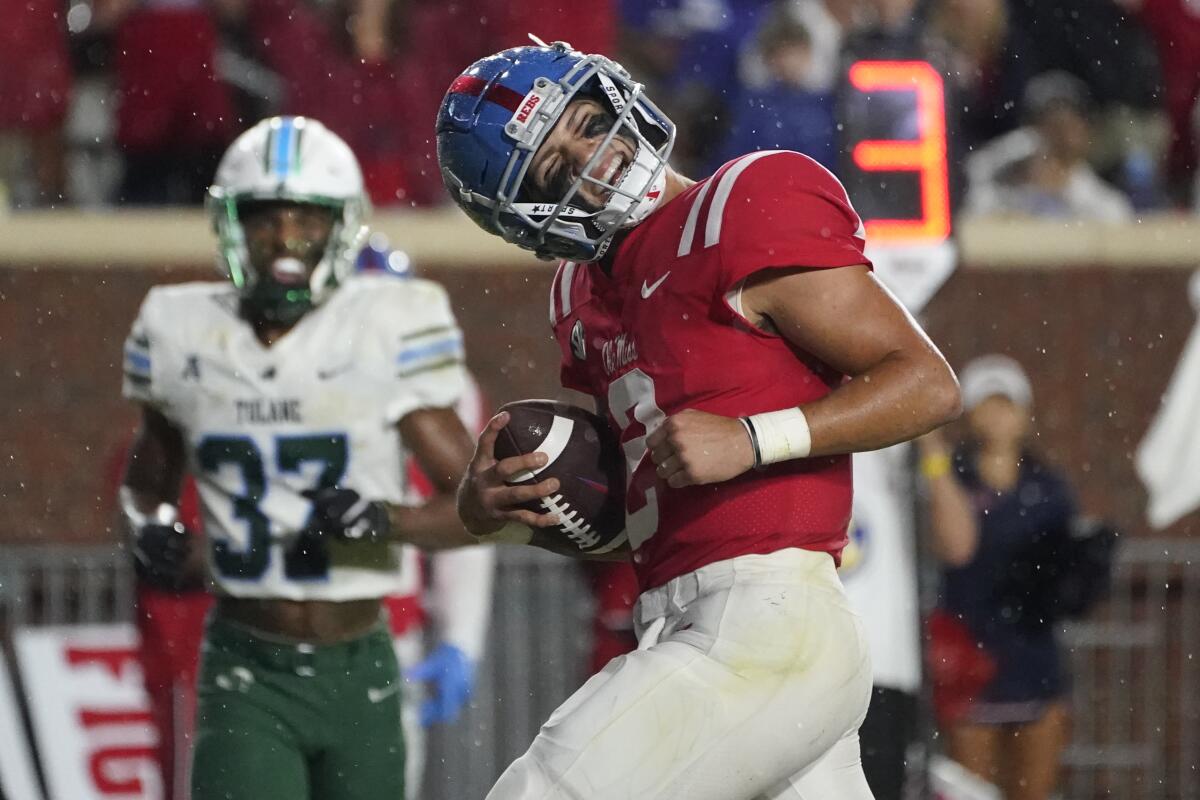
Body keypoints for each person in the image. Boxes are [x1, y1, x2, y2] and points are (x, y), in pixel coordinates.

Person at [436, 40, 962, 799]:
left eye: (586, 123)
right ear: (527, 218)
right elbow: (646, 508)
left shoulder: (742, 201)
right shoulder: (578, 297)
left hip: (770, 622)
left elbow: (925, 384)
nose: (590, 156)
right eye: (553, 169)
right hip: (692, 622)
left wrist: (753, 438)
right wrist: (503, 511)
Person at [120, 115, 480, 800]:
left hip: (363, 659)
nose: (285, 242)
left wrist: (386, 522)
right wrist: (150, 528)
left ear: (340, 228)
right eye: (265, 220)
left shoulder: (385, 327)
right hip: (246, 664)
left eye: (306, 222)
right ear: (229, 225)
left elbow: (476, 506)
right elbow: (148, 484)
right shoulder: (183, 332)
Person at [922, 355, 1075, 800]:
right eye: (986, 405)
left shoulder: (1048, 484)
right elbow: (953, 545)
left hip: (1035, 656)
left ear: (1025, 413)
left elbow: (1065, 566)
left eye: (1006, 405)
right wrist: (935, 460)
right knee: (974, 789)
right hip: (971, 658)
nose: (997, 417)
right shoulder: (953, 477)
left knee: (1035, 788)